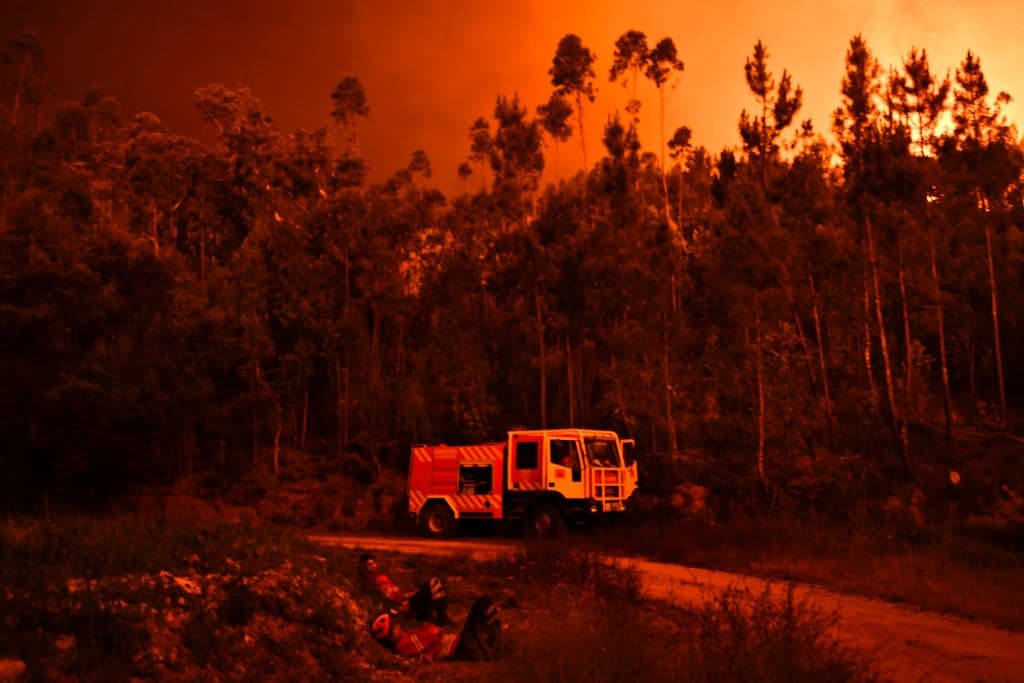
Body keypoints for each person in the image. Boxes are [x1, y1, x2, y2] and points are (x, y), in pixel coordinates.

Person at [370, 596, 501, 662]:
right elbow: (433, 633)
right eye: (393, 626)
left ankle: (489, 649)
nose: (398, 626)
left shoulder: (404, 640)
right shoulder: (404, 644)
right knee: (482, 604)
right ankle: (487, 653)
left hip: (459, 644)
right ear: (389, 635)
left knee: (487, 620)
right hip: (458, 647)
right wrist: (433, 628)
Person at [359, 552, 451, 625]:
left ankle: (440, 616)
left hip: (407, 601)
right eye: (368, 565)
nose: (372, 566)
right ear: (363, 567)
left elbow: (396, 592)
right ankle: (441, 617)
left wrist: (413, 592)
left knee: (435, 585)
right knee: (434, 583)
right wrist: (413, 594)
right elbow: (393, 598)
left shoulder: (381, 577)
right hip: (406, 606)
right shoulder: (373, 583)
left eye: (373, 563)